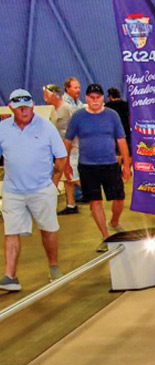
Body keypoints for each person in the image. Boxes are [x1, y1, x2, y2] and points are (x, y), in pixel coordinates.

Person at [0, 89, 68, 290]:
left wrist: (53, 183)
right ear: (11, 107)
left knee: (49, 229)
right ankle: (10, 276)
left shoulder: (46, 127)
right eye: (19, 107)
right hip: (13, 190)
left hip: (41, 189)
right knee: (11, 231)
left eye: (27, 107)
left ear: (33, 106)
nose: (24, 111)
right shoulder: (3, 128)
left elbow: (61, 157)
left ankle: (54, 267)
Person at [65, 83, 131, 248]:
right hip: (87, 166)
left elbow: (121, 140)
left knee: (119, 198)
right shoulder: (78, 117)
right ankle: (105, 236)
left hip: (110, 164)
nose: (95, 100)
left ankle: (114, 221)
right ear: (86, 98)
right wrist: (65, 163)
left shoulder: (112, 115)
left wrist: (126, 164)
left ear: (103, 98)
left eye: (98, 97)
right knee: (95, 202)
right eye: (91, 97)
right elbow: (67, 141)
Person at [42, 84, 78, 214]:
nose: (44, 97)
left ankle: (95, 195)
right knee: (66, 178)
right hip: (59, 149)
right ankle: (71, 204)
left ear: (53, 94)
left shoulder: (66, 109)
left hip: (71, 149)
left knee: (71, 177)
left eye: (46, 94)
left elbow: (74, 129)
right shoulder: (54, 110)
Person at [61, 77, 84, 206]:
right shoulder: (65, 105)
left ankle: (72, 203)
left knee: (70, 175)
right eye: (75, 88)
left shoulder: (78, 103)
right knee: (70, 174)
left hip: (78, 143)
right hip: (68, 144)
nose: (78, 90)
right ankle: (88, 192)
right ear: (67, 89)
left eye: (79, 87)